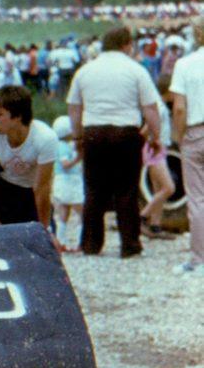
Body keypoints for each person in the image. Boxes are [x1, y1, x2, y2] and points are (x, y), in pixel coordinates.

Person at [67, 26, 163, 258]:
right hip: (125, 132)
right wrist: (156, 136)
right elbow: (150, 108)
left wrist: (77, 136)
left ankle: (91, 244)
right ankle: (129, 244)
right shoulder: (135, 70)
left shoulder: (85, 70)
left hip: (94, 131)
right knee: (127, 190)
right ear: (126, 44)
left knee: (93, 189)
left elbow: (74, 107)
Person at [0, 86, 57, 227]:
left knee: (39, 237)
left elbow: (42, 188)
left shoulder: (45, 138)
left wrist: (45, 227)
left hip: (30, 192)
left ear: (18, 116)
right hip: (1, 190)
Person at [169, 17, 204, 275]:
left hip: (196, 131)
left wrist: (178, 137)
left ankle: (199, 258)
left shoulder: (184, 64)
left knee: (198, 198)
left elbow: (179, 108)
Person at [139, 74, 177, 240]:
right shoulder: (159, 108)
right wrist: (151, 141)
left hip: (157, 149)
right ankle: (142, 216)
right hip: (156, 150)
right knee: (169, 188)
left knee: (158, 189)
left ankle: (155, 225)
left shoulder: (159, 106)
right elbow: (145, 130)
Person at [50, 115, 84, 250]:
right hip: (70, 181)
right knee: (81, 212)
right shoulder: (64, 147)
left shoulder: (58, 145)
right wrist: (78, 158)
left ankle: (61, 241)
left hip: (61, 181)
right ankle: (80, 242)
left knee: (64, 213)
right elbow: (65, 164)